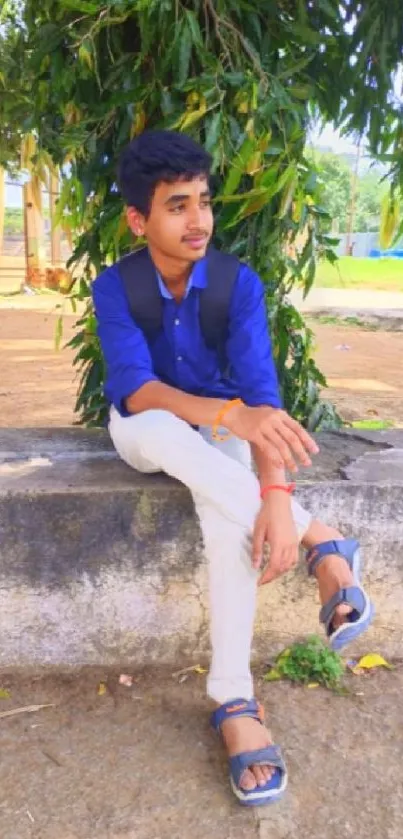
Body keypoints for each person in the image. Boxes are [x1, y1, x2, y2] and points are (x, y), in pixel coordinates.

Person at [92, 130, 374, 807]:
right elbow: (136, 390)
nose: (198, 221)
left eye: (204, 203)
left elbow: (262, 402)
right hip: (145, 432)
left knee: (230, 528)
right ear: (139, 219)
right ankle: (322, 541)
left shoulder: (236, 285)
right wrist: (230, 417)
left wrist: (274, 497)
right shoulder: (115, 285)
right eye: (177, 206)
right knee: (163, 424)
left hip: (222, 439)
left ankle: (234, 700)